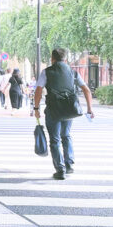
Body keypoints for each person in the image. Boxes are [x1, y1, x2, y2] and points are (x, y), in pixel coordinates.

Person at [33, 48, 95, 180]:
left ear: (52, 58)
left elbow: (38, 90)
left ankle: (60, 170)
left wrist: (36, 108)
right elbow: (87, 90)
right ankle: (69, 165)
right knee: (66, 135)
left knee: (55, 140)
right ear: (65, 59)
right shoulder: (73, 73)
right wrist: (89, 109)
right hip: (69, 110)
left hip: (53, 110)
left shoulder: (46, 72)